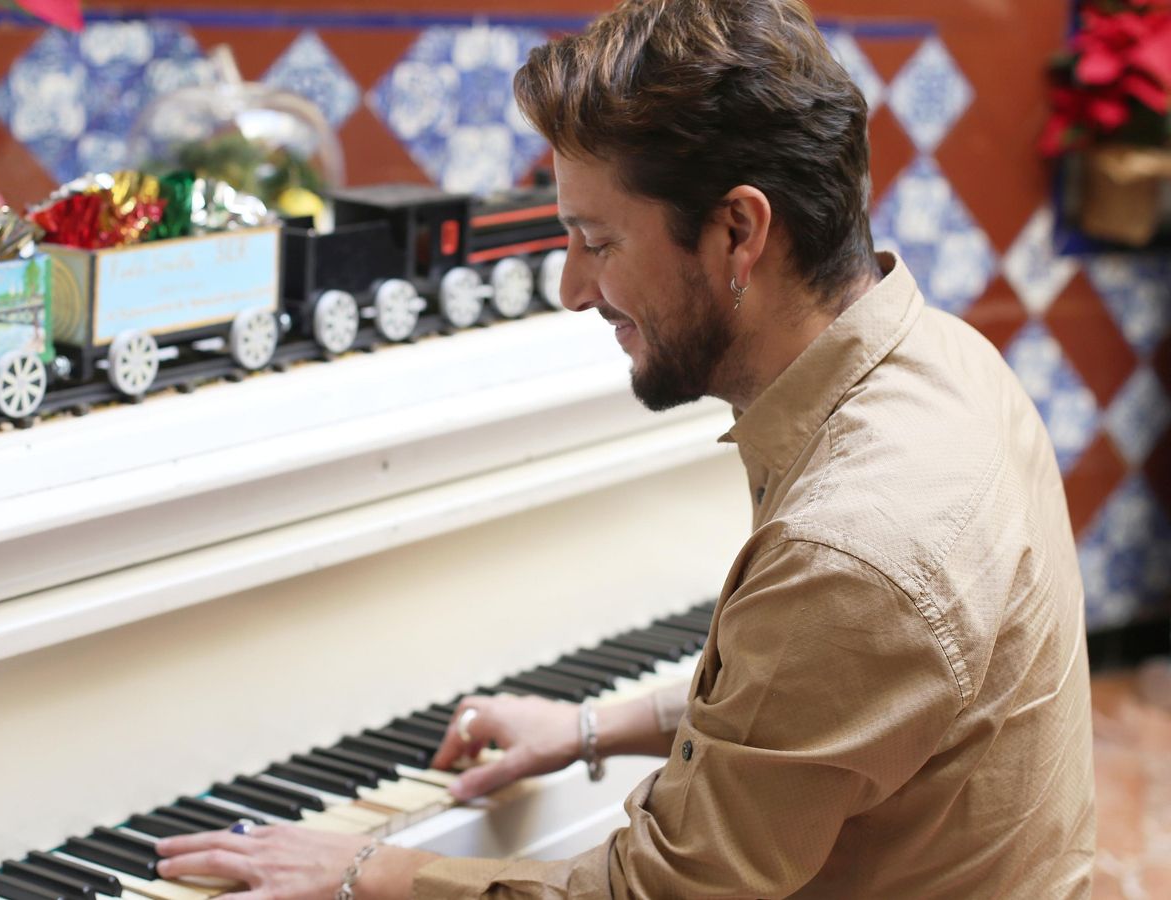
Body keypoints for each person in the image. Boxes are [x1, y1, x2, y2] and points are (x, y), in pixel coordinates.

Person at [154, 0, 1098, 895]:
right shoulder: (949, 362)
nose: (571, 289)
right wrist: (595, 725)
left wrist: (364, 871)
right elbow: (819, 719)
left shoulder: (850, 547)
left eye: (596, 242)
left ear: (738, 230)